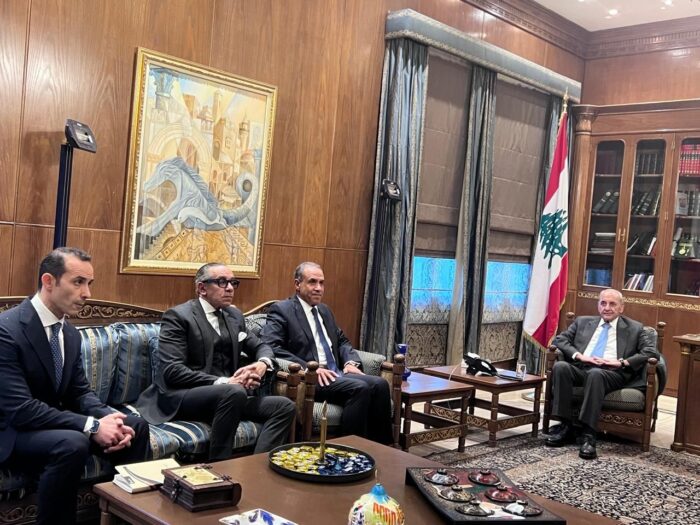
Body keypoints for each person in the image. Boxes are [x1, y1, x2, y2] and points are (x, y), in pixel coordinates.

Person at [0, 247, 149, 525]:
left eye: (89, 283)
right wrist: (92, 426)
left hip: (51, 424)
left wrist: (109, 418)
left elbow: (78, 391)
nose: (87, 293)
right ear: (48, 281)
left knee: (135, 426)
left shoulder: (68, 332)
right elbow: (20, 409)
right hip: (13, 431)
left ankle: (123, 518)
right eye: (78, 282)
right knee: (72, 443)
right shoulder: (6, 330)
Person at [135, 263, 295, 460]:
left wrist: (262, 364)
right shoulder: (179, 316)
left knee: (284, 406)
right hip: (184, 396)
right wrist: (226, 382)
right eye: (222, 282)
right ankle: (219, 466)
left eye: (233, 283)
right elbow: (173, 371)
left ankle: (258, 466)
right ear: (202, 288)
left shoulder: (234, 315)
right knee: (234, 391)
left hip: (230, 397)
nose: (230, 288)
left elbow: (261, 346)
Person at [261, 262, 393, 444]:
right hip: (311, 378)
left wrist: (350, 362)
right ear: (297, 284)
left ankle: (381, 448)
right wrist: (309, 368)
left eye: (321, 283)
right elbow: (271, 346)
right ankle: (348, 449)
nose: (318, 288)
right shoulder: (282, 310)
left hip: (336, 373)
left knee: (380, 384)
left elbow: (342, 340)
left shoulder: (325, 311)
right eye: (312, 282)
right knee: (359, 388)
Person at [546, 288, 658, 459]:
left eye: (612, 304)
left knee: (596, 374)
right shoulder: (582, 322)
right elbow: (560, 340)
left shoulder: (635, 328)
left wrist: (621, 362)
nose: (607, 308)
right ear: (598, 305)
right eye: (603, 303)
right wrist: (580, 356)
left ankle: (589, 434)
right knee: (561, 367)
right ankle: (566, 426)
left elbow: (650, 351)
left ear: (621, 308)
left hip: (613, 373)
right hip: (583, 367)